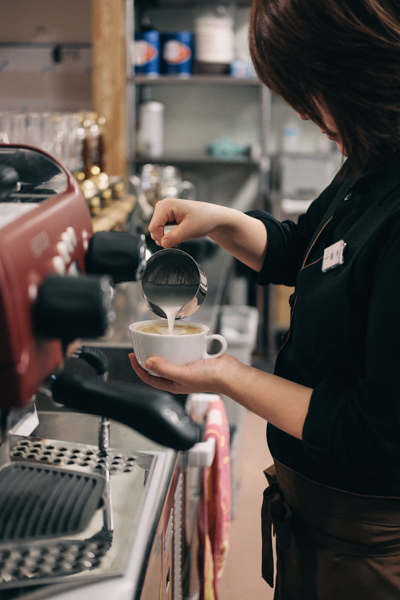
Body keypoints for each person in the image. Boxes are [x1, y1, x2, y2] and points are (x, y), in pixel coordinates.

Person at [129, 1, 400, 598]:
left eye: (309, 90)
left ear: (360, 68)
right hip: (317, 518)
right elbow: (303, 250)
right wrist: (220, 220)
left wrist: (228, 377)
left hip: (370, 547)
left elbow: (378, 434)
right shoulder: (374, 153)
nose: (303, 111)